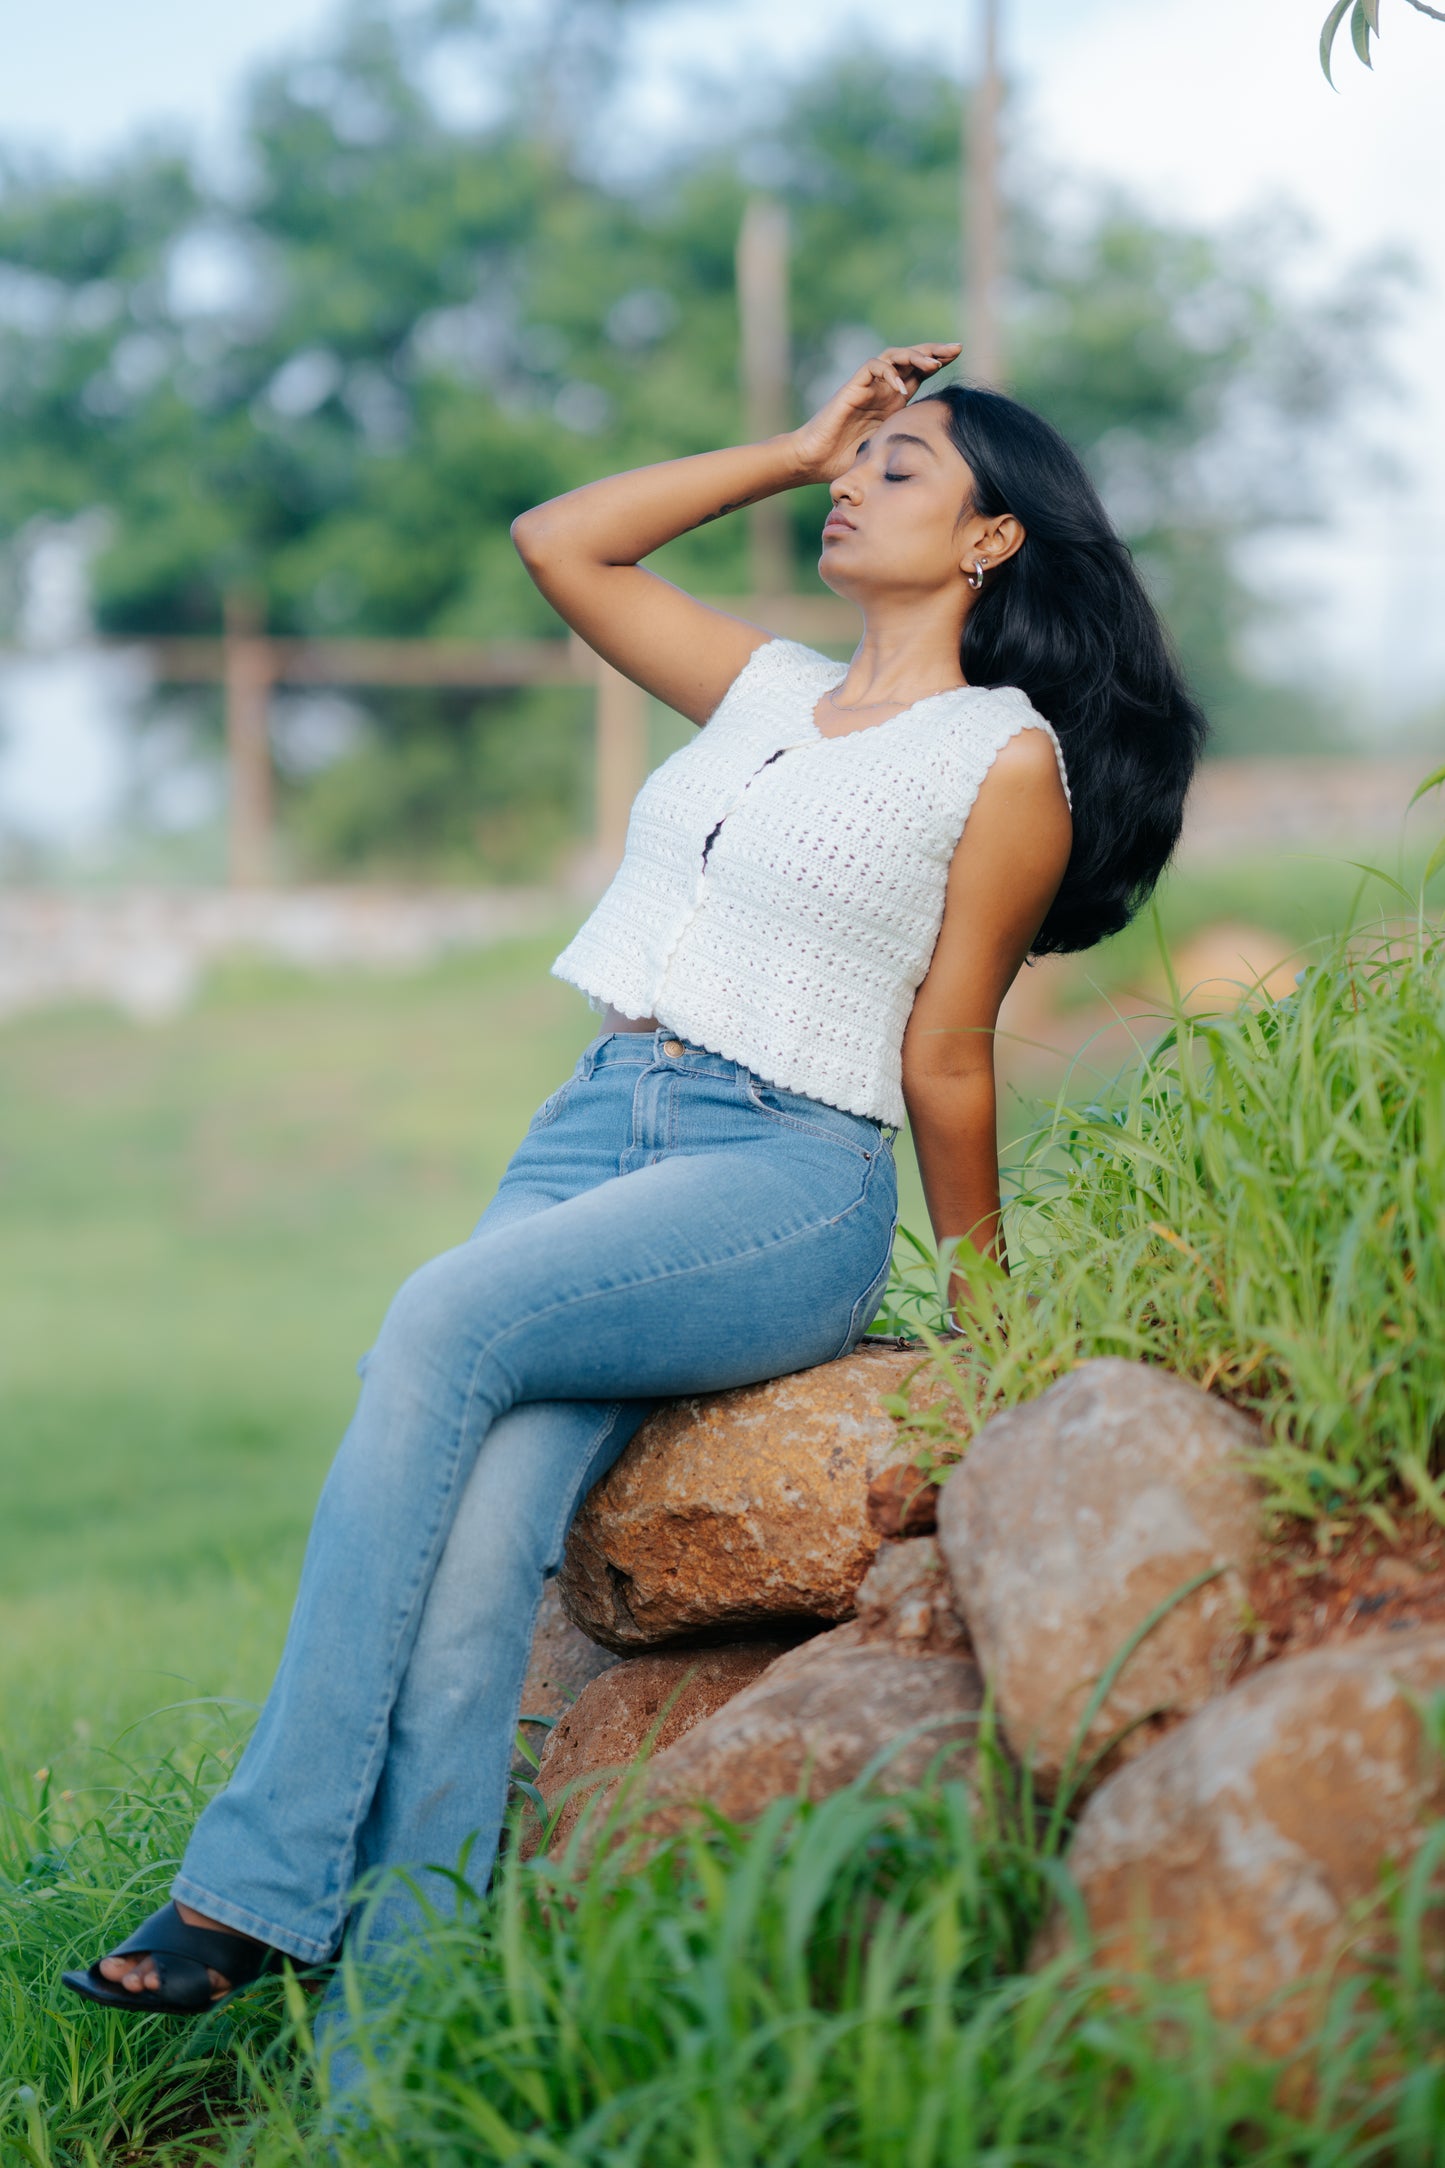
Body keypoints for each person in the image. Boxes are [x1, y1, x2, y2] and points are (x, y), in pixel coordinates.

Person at [63, 340, 1204, 2017]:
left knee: (436, 1318)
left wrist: (986, 1315)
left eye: (900, 469)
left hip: (783, 1174)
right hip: (593, 1131)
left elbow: (947, 1052)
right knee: (467, 1598)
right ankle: (399, 2067)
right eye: (853, 459)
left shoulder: (1001, 759)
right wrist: (787, 439)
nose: (850, 484)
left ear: (990, 542)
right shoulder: (762, 689)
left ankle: (248, 1886)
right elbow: (560, 542)